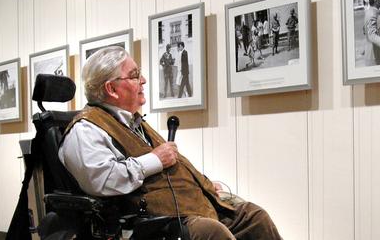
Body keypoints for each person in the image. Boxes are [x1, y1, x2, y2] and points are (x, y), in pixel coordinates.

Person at [59, 46, 283, 239]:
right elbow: (102, 179)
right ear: (111, 88)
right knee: (211, 232)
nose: (143, 80)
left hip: (190, 207)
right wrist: (154, 160)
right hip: (153, 221)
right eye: (135, 75)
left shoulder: (133, 122)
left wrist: (201, 184)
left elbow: (173, 165)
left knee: (254, 217)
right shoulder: (85, 130)